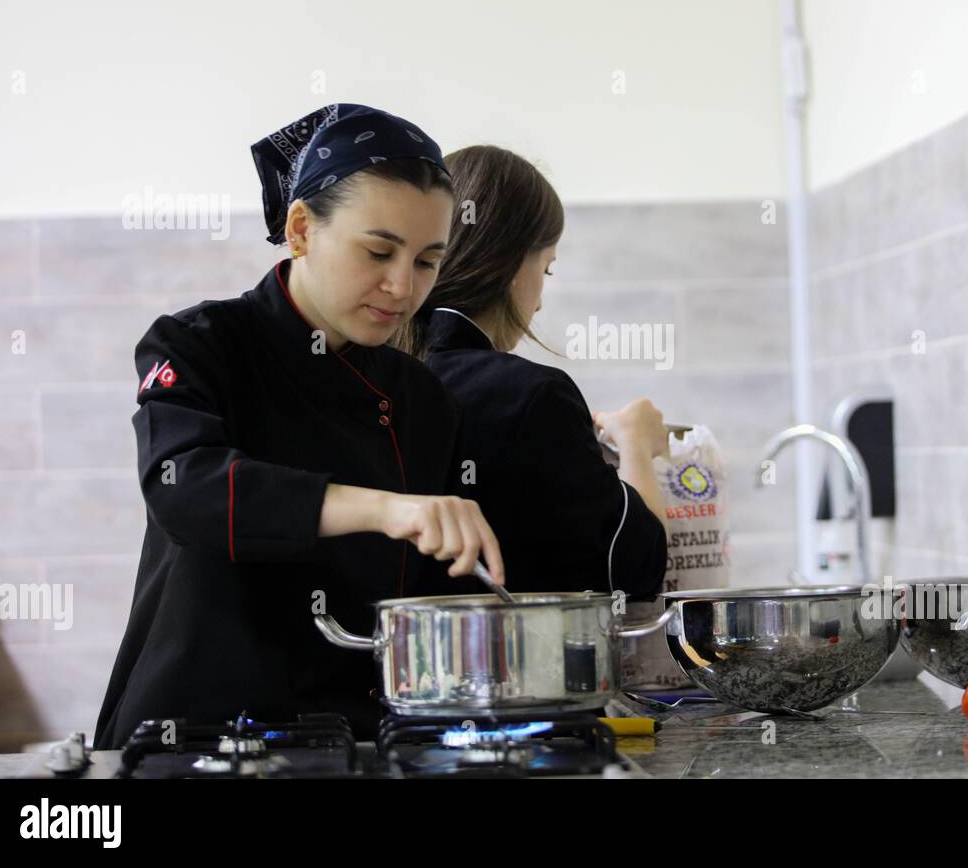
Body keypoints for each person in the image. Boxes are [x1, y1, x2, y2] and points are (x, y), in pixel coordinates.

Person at [93, 104, 502, 750]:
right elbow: (185, 489)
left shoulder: (423, 400)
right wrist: (382, 509)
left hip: (355, 743)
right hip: (192, 736)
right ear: (302, 228)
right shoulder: (201, 346)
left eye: (427, 262)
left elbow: (426, 605)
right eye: (378, 251)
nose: (401, 287)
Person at [400, 145, 668, 600]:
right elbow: (634, 572)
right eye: (546, 267)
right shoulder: (530, 395)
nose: (540, 300)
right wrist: (637, 446)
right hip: (516, 665)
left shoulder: (377, 373)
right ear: (511, 263)